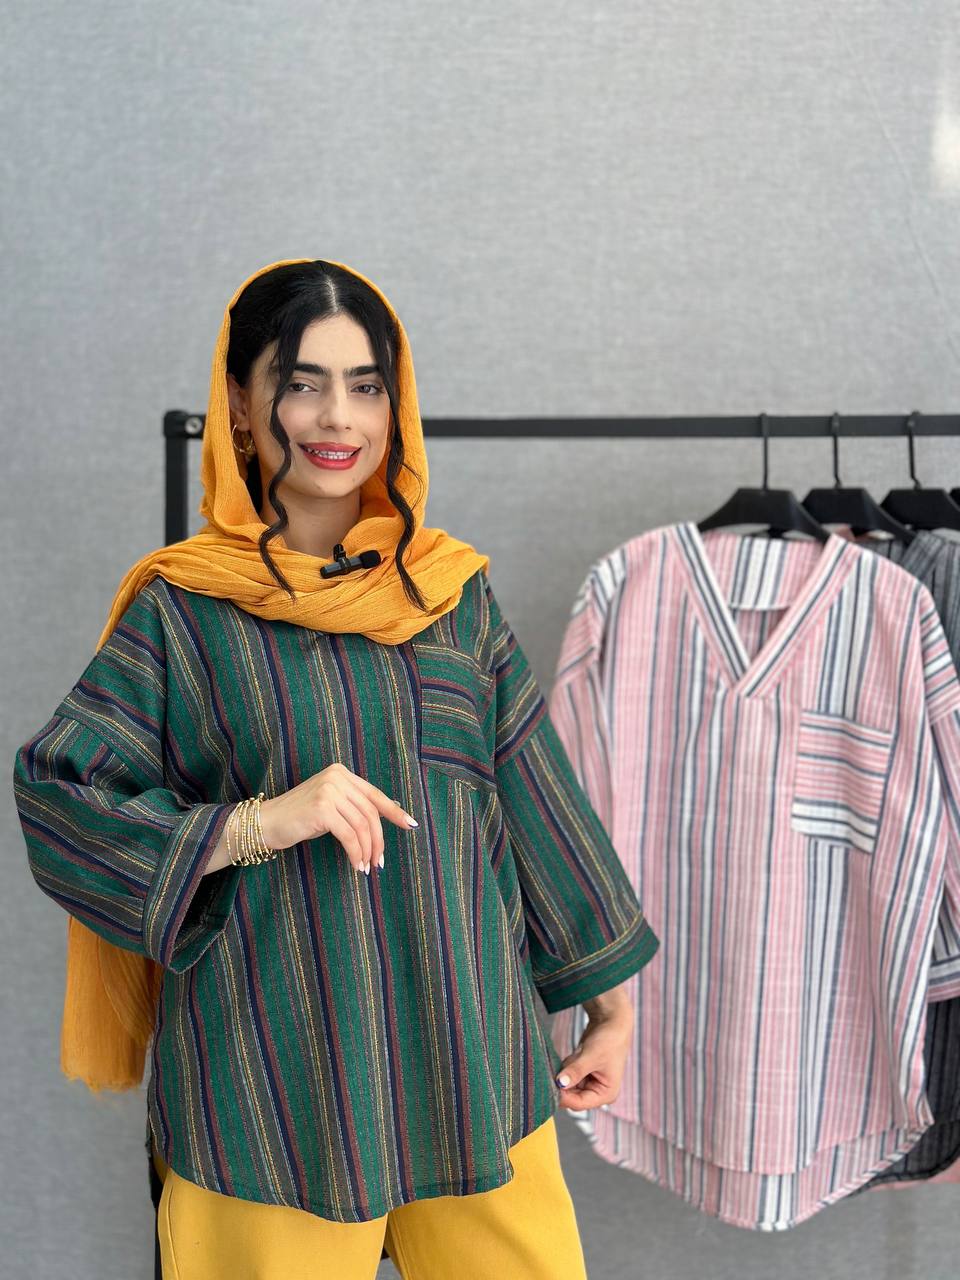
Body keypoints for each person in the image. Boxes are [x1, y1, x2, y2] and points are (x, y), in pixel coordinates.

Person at [13, 257, 659, 1279]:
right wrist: (258, 822)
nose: (337, 417)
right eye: (302, 381)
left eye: (366, 386)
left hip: (471, 1064)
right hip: (270, 1087)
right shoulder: (185, 613)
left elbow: (532, 796)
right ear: (241, 401)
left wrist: (612, 1006)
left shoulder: (450, 597)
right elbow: (60, 794)